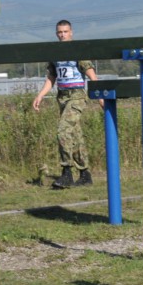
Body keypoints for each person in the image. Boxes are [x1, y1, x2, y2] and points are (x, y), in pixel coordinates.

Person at [32, 20, 103, 189]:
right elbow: (51, 77)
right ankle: (85, 174)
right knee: (75, 136)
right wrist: (40, 95)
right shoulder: (54, 53)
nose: (62, 35)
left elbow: (92, 76)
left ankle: (67, 172)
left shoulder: (78, 52)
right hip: (62, 97)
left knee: (63, 131)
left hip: (77, 96)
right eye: (59, 32)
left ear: (71, 32)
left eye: (65, 31)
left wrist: (101, 98)